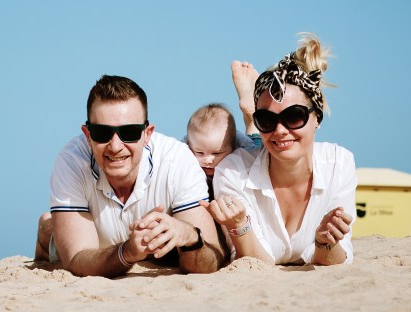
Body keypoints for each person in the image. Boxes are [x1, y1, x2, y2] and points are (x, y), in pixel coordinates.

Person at [34, 75, 225, 277]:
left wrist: (190, 237)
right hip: (97, 247)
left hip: (151, 253)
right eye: (101, 133)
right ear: (88, 135)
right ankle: (46, 231)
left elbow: (211, 260)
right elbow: (76, 258)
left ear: (147, 133)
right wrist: (127, 252)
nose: (115, 146)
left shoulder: (176, 160)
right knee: (54, 237)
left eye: (130, 132)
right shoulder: (72, 161)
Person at [208, 33, 357, 265]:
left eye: (294, 116)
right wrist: (239, 225)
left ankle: (252, 111)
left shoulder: (338, 164)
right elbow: (255, 262)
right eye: (266, 119)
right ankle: (251, 115)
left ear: (317, 117)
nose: (279, 130)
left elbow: (337, 259)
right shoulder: (232, 171)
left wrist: (325, 243)